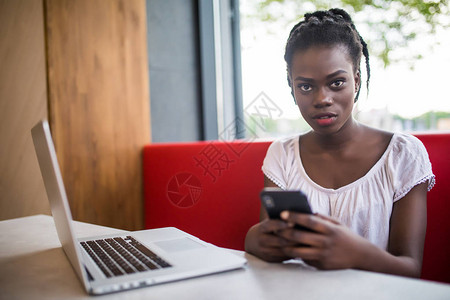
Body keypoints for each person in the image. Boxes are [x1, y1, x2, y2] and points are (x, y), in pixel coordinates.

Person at [244, 8, 435, 278]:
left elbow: (410, 269)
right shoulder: (282, 155)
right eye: (306, 87)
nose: (322, 98)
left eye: (336, 82)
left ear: (356, 80)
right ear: (291, 87)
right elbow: (272, 246)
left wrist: (355, 253)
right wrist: (255, 240)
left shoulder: (403, 154)